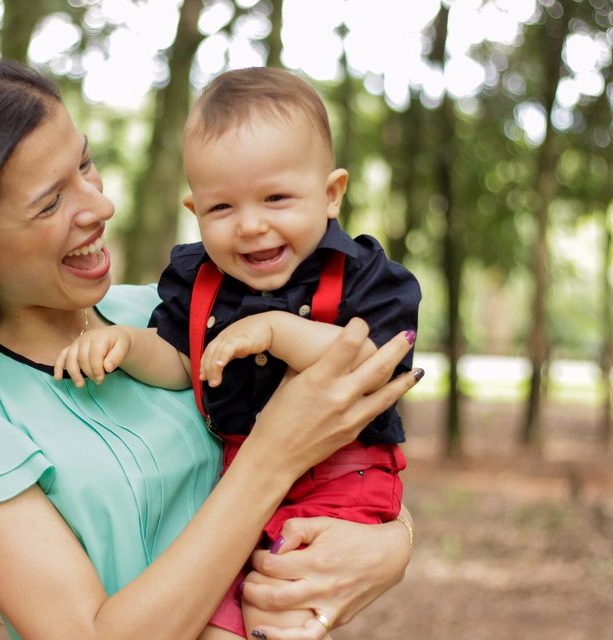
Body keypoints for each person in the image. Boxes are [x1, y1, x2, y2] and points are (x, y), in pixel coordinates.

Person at [0, 58, 423, 640]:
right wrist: (274, 457)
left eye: (83, 163)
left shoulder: (158, 318)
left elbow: (337, 465)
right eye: (50, 202)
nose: (98, 206)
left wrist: (392, 546)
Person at [54, 67, 421, 638]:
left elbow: (368, 365)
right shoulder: (195, 282)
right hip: (238, 486)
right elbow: (182, 364)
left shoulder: (362, 277)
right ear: (194, 209)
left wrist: (276, 330)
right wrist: (128, 343)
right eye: (222, 208)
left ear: (331, 194)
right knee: (219, 619)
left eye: (276, 198)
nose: (251, 225)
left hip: (342, 481)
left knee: (280, 598)